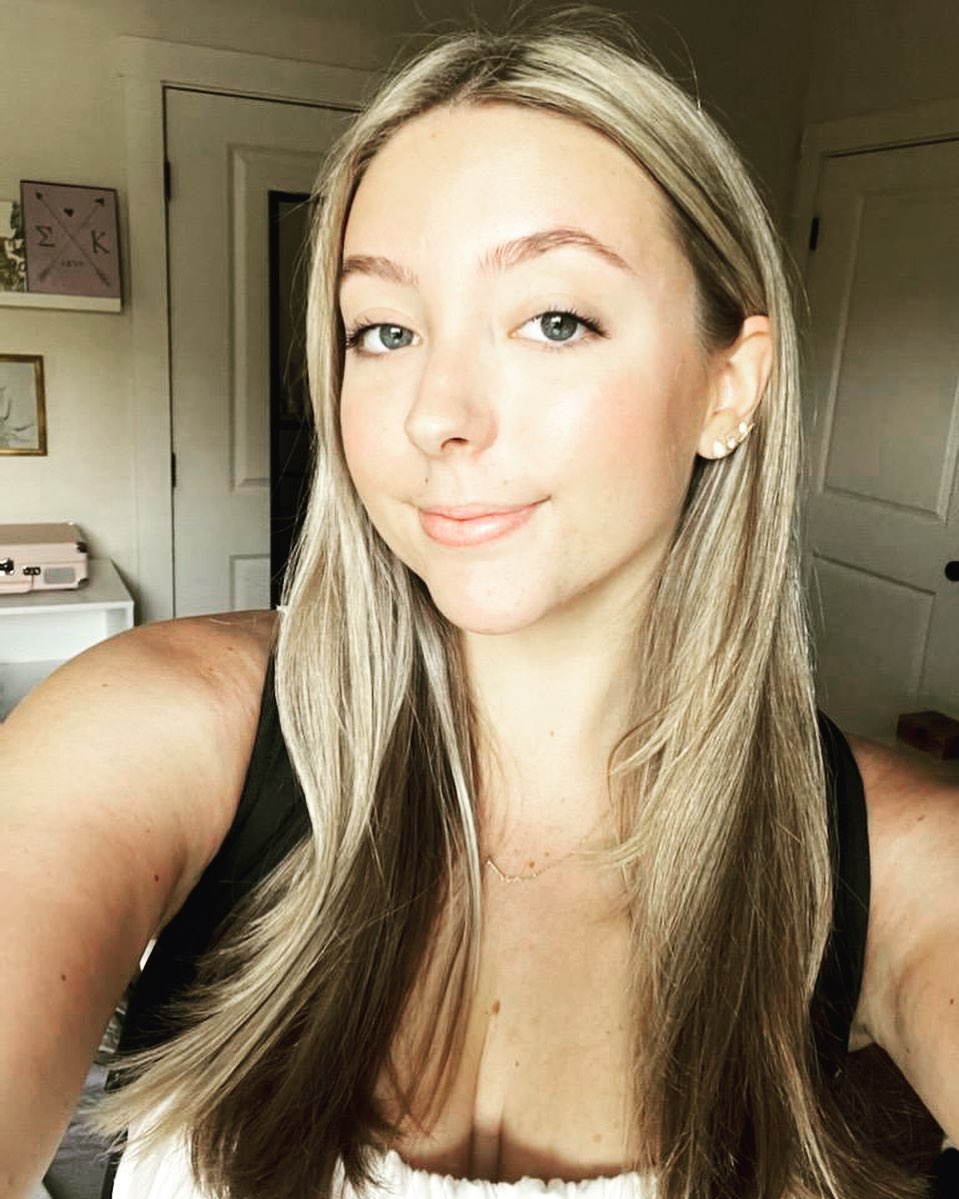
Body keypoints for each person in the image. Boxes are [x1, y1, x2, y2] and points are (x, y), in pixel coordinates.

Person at [3, 15, 958, 1199]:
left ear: (729, 383)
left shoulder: (894, 859)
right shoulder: (157, 726)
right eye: (384, 330)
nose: (435, 414)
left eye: (553, 320)